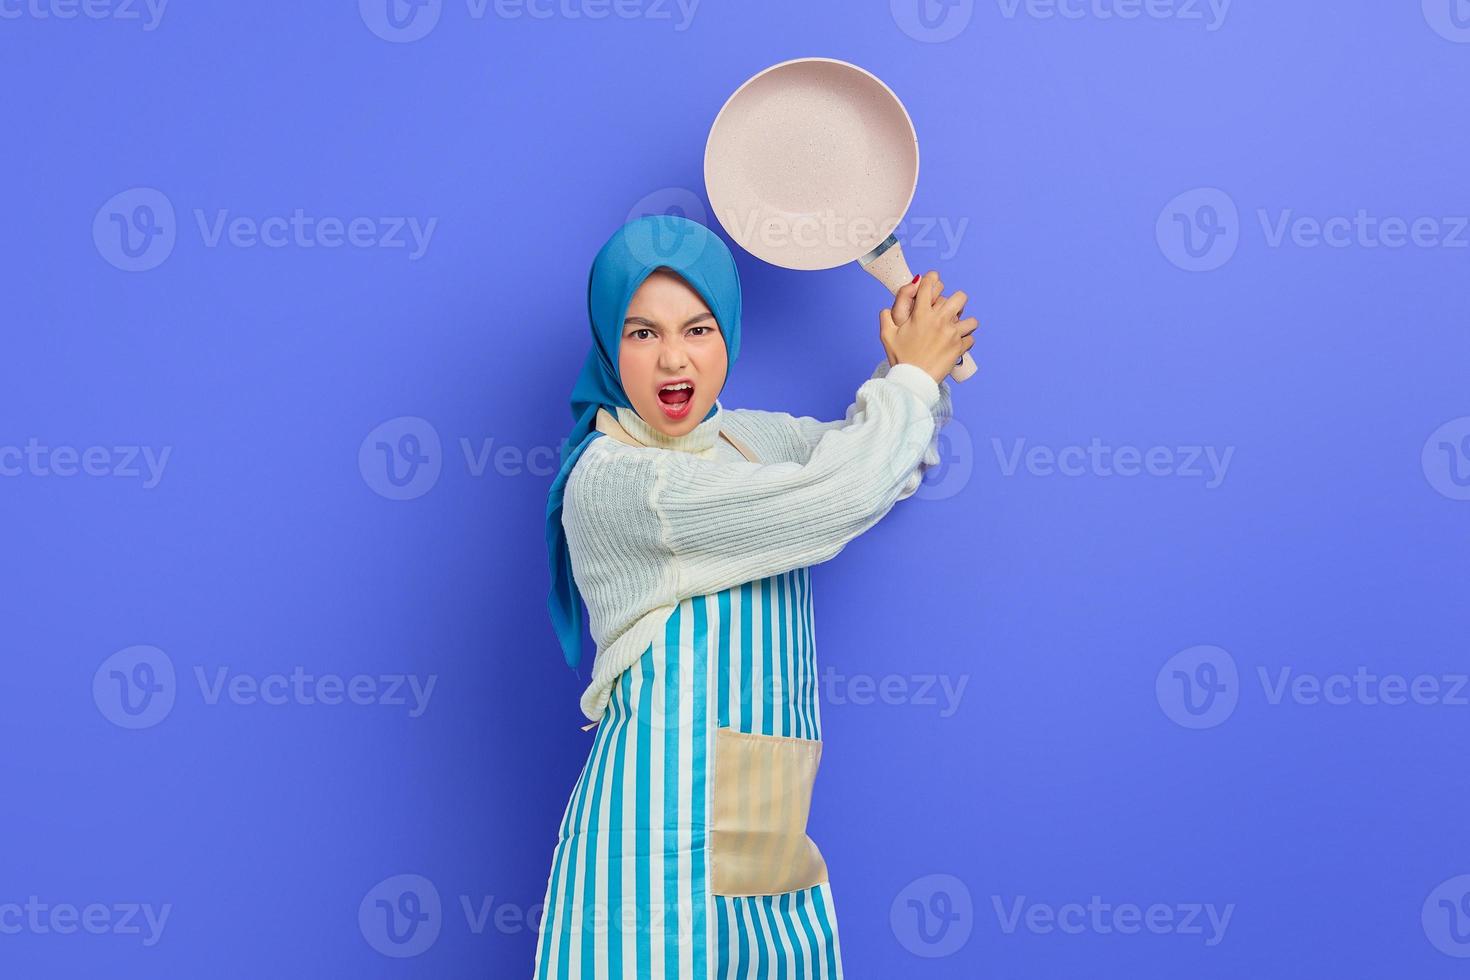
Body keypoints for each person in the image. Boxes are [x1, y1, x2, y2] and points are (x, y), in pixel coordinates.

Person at [536, 213, 976, 979]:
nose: (674, 357)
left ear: (728, 333)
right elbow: (837, 493)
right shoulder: (613, 480)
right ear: (609, 342)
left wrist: (913, 364)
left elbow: (881, 464)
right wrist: (911, 378)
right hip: (654, 846)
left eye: (698, 328)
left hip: (765, 830)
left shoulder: (744, 441)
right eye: (642, 333)